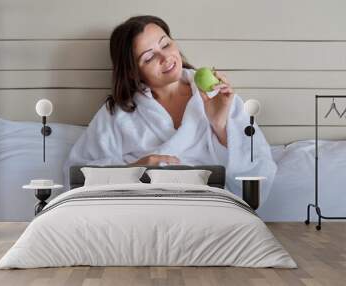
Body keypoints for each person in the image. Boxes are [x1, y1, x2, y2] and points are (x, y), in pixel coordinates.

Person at [64, 15, 277, 204]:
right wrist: (134, 169)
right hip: (146, 207)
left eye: (165, 45)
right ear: (132, 72)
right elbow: (79, 175)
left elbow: (258, 169)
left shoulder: (217, 93)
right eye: (148, 57)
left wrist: (220, 125)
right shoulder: (117, 113)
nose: (165, 58)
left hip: (211, 204)